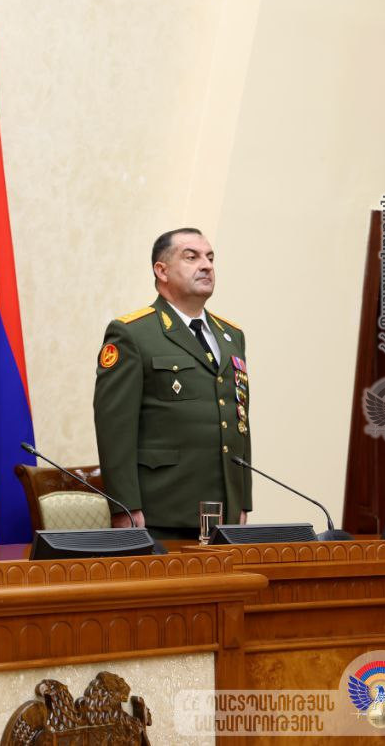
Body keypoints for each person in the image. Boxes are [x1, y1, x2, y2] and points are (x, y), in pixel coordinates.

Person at [92, 228, 251, 541]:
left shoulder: (231, 336)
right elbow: (115, 428)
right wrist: (125, 506)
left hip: (224, 511)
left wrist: (242, 500)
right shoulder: (133, 333)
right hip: (161, 510)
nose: (206, 265)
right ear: (161, 271)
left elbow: (239, 420)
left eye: (210, 258)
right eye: (191, 257)